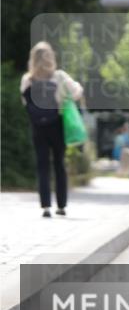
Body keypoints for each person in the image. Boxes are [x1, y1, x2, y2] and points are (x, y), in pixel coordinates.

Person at [21, 41, 84, 217]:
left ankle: (45, 206)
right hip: (57, 123)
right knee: (59, 164)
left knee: (42, 165)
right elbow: (77, 92)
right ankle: (61, 205)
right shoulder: (59, 76)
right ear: (51, 57)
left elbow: (25, 102)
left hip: (37, 127)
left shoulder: (28, 79)